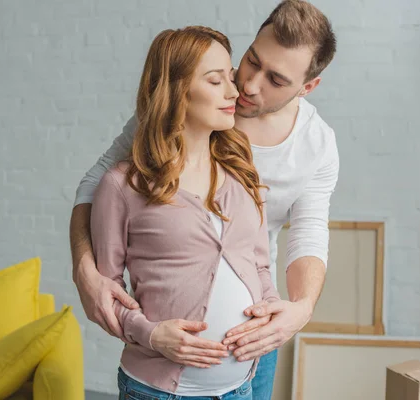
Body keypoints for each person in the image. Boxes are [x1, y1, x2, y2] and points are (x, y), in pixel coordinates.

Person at [71, 1, 339, 398]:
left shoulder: (315, 145)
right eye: (251, 60)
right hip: (159, 371)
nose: (247, 85)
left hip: (256, 337)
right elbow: (99, 184)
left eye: (276, 80)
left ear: (307, 86)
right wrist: (84, 269)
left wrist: (300, 308)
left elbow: (307, 233)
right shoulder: (190, 102)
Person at [90, 25, 278, 399]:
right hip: (157, 391)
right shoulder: (123, 185)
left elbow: (259, 265)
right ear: (177, 91)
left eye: (230, 76)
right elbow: (105, 292)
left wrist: (270, 313)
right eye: (214, 80)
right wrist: (151, 334)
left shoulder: (241, 172)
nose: (233, 91)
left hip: (240, 387)